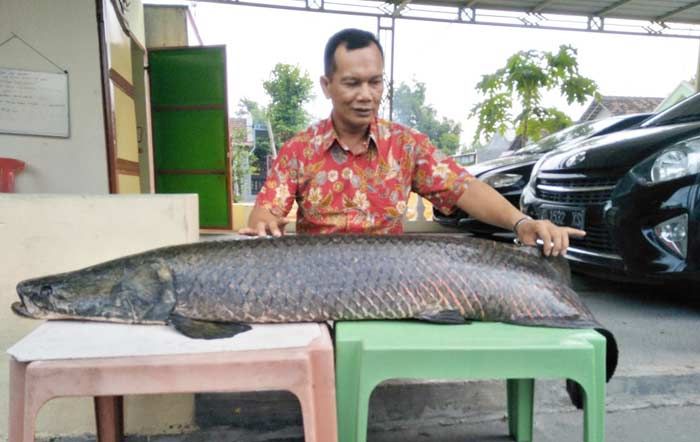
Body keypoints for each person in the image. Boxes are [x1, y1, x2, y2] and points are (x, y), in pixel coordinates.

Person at [239, 28, 585, 257]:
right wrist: (263, 226)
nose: (365, 95)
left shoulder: (404, 146)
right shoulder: (300, 150)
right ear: (326, 85)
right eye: (351, 83)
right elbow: (264, 215)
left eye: (375, 82)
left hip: (395, 280)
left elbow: (464, 188)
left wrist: (521, 223)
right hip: (319, 281)